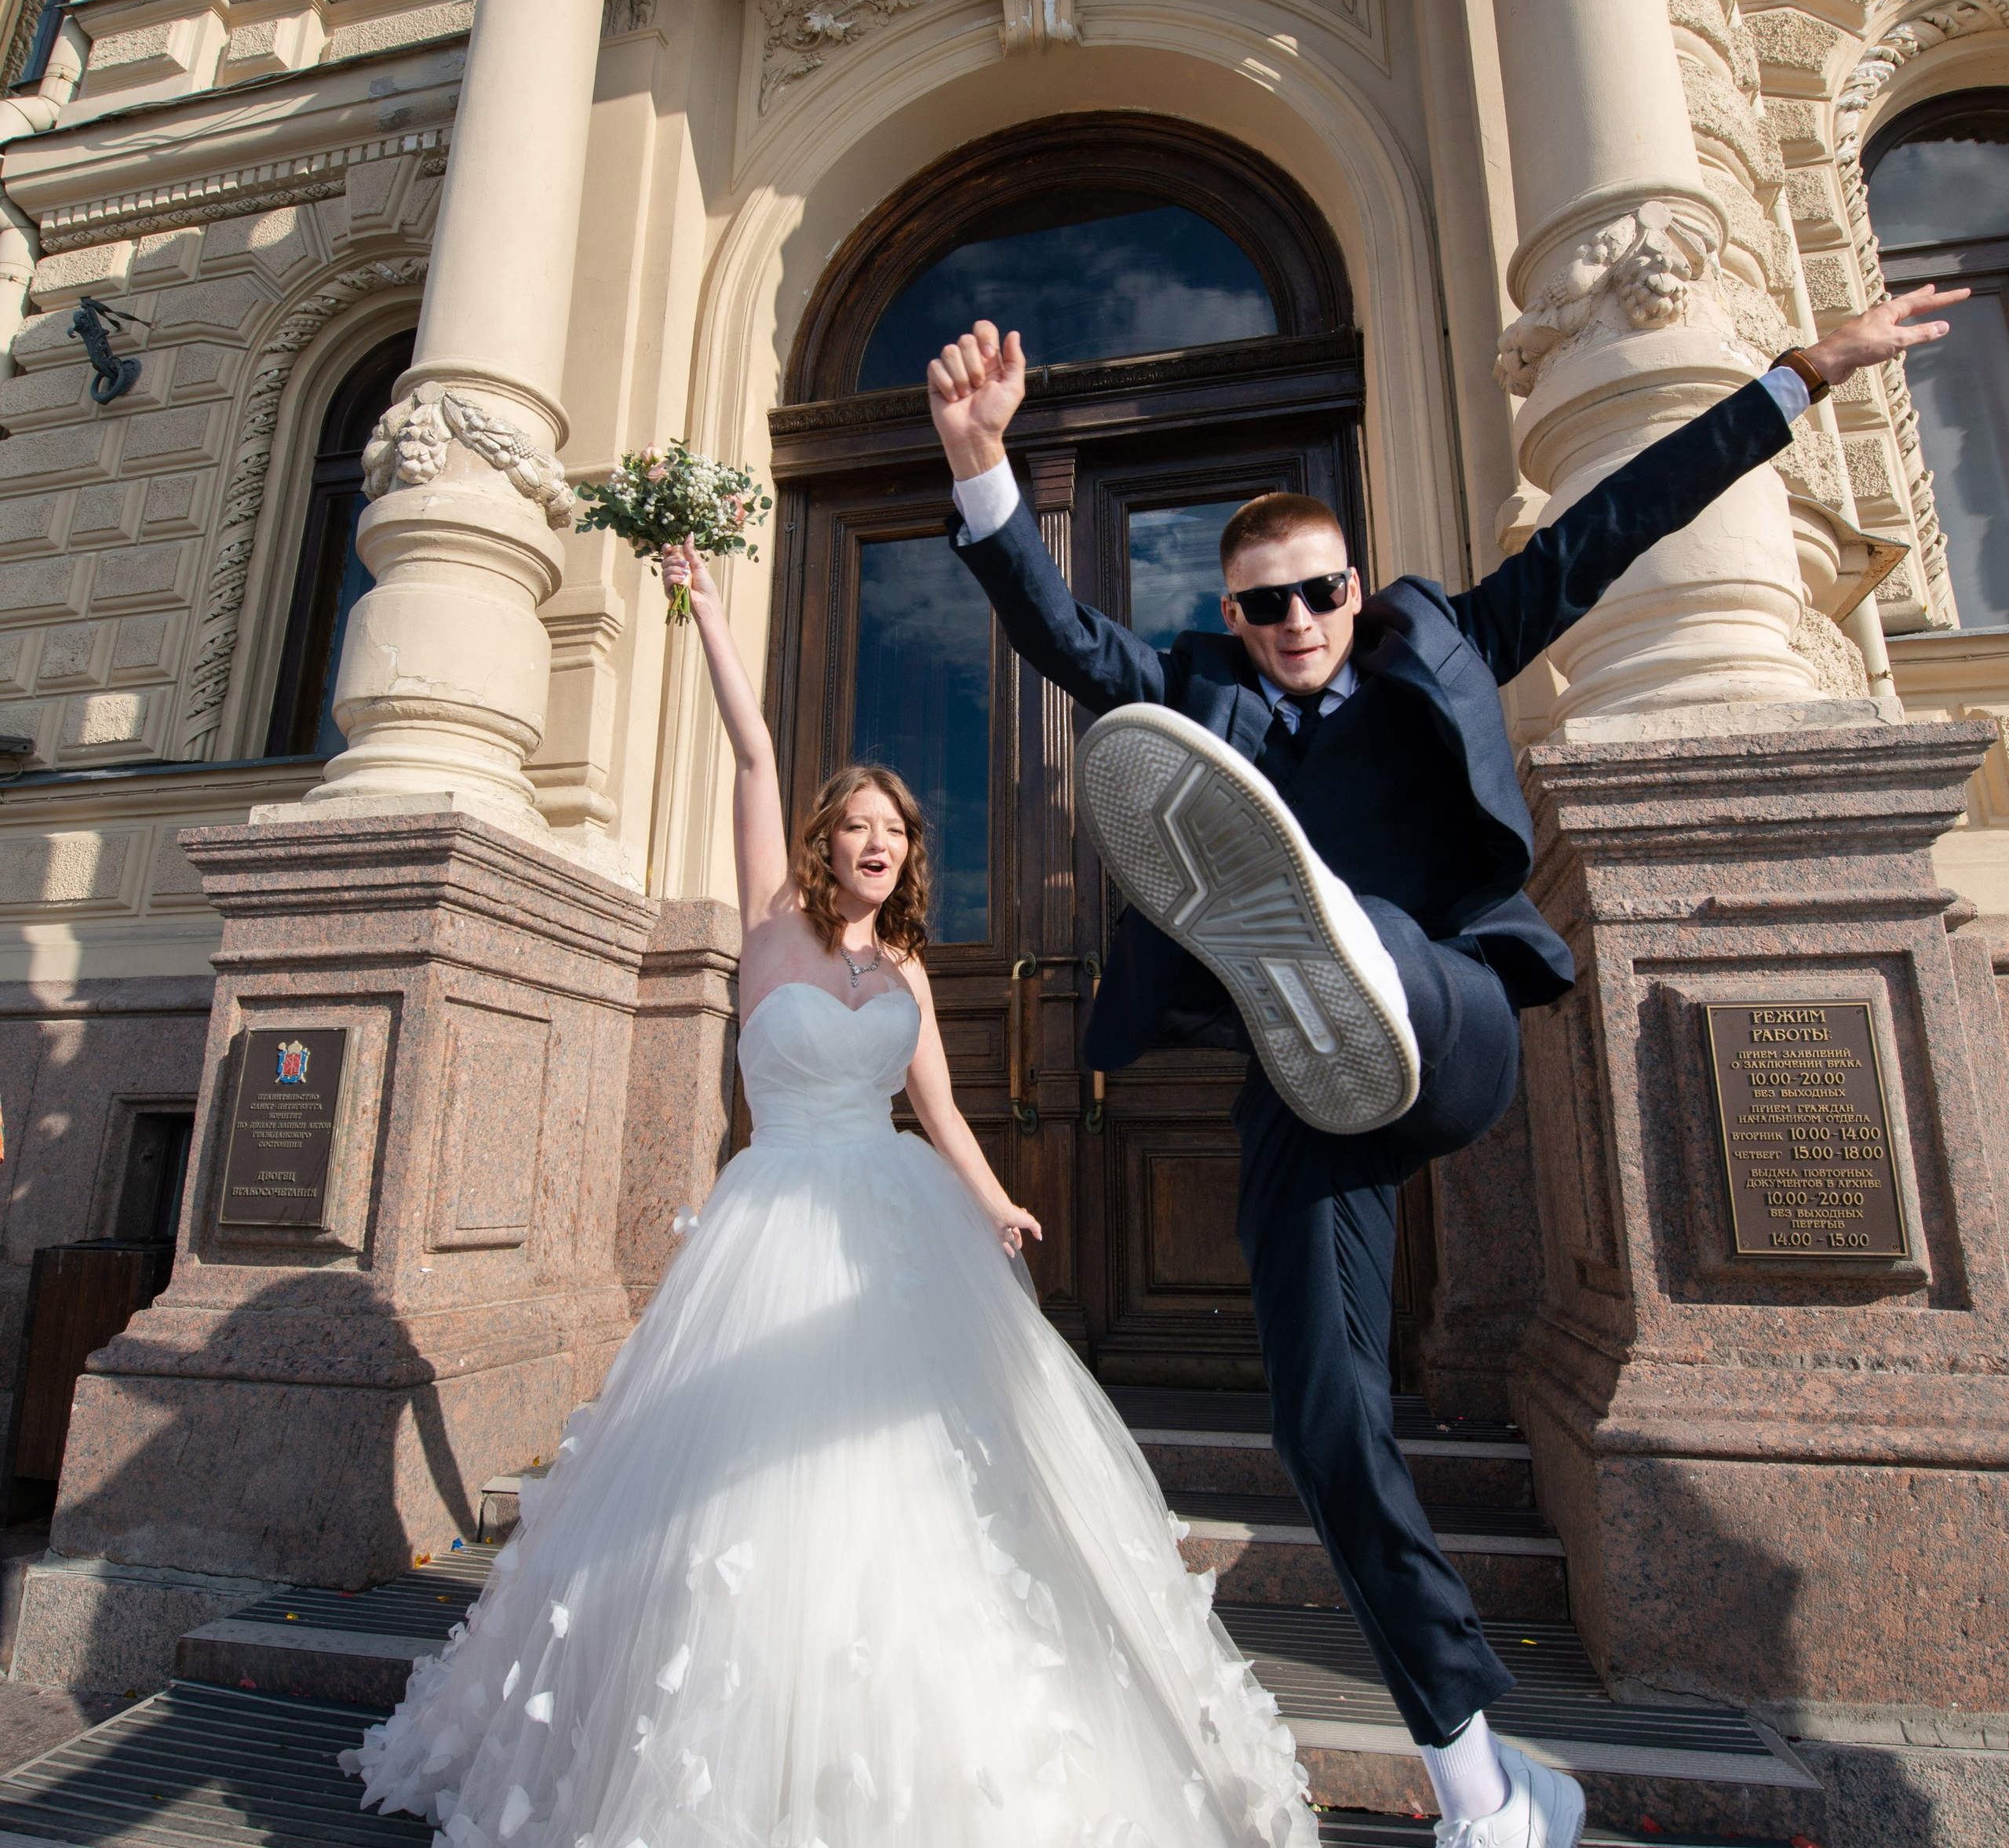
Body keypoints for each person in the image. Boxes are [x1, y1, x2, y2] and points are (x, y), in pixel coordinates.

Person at [925, 285, 1966, 1848]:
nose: (1289, 625)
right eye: (1260, 607)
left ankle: (1343, 940)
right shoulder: (1195, 688)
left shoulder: (1439, 637)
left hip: (1452, 1020)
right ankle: (1481, 1769)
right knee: (1322, 1420)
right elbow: (1058, 632)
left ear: (1354, 585)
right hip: (1302, 1079)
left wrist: (1797, 377)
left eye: (1313, 594)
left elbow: (1606, 524)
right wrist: (978, 466)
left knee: (1398, 963)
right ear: (1230, 614)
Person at [341, 536, 1318, 1848]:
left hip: (895, 1231)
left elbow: (944, 1112)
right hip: (775, 1228)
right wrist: (701, 614)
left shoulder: (908, 975)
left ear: (908, 854)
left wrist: (994, 1202)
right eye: (852, 825)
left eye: (891, 829)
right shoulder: (766, 932)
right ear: (822, 843)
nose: (871, 841)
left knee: (923, 1480)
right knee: (746, 1487)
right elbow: (750, 753)